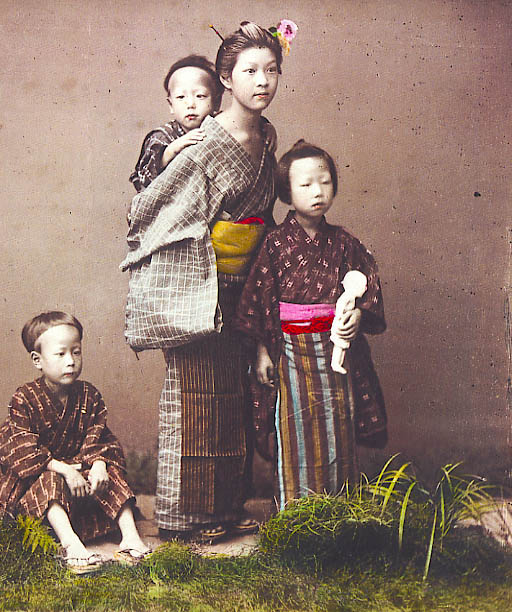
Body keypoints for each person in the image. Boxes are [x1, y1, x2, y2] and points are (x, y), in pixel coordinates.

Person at [120, 21, 286, 542]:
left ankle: (227, 509)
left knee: (234, 401)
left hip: (245, 288)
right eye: (249, 71)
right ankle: (185, 518)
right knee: (194, 400)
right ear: (226, 79)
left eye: (271, 70)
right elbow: (150, 210)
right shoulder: (201, 143)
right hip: (201, 284)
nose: (262, 81)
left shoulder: (267, 137)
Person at [234, 140, 387, 510]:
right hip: (290, 354)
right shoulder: (275, 243)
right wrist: (261, 352)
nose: (317, 191)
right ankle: (295, 514)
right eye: (305, 184)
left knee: (339, 425)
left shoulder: (345, 243)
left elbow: (367, 289)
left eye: (325, 182)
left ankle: (339, 512)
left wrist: (356, 315)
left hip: (337, 352)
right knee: (294, 428)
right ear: (286, 192)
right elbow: (259, 298)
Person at [0, 312, 149, 574]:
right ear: (38, 360)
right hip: (39, 480)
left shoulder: (89, 395)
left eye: (76, 352)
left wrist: (98, 464)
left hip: (79, 480)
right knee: (50, 482)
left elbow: (99, 438)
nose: (71, 361)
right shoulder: (24, 398)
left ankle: (130, 537)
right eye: (60, 354)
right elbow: (22, 448)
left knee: (109, 473)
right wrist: (64, 470)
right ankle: (71, 544)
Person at [129, 55, 224, 192]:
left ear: (216, 102)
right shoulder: (161, 137)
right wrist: (170, 151)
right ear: (171, 105)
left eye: (200, 96)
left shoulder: (222, 126)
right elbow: (144, 181)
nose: (190, 104)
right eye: (180, 97)